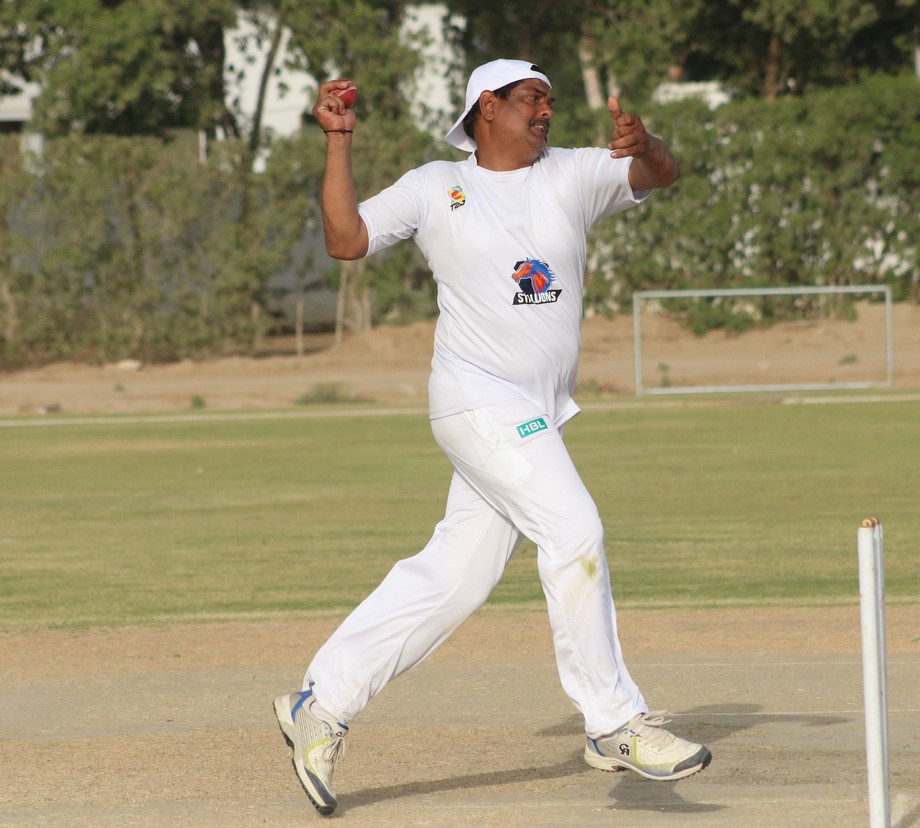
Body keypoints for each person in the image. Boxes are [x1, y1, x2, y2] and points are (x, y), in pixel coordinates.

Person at [272, 59, 711, 816]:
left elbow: (661, 175)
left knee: (455, 578)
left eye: (550, 99)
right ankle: (612, 723)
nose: (546, 111)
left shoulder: (573, 171)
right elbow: (346, 240)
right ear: (487, 106)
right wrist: (338, 141)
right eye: (532, 98)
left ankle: (322, 701)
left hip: (533, 411)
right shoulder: (436, 185)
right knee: (573, 529)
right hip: (476, 401)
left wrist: (647, 144)